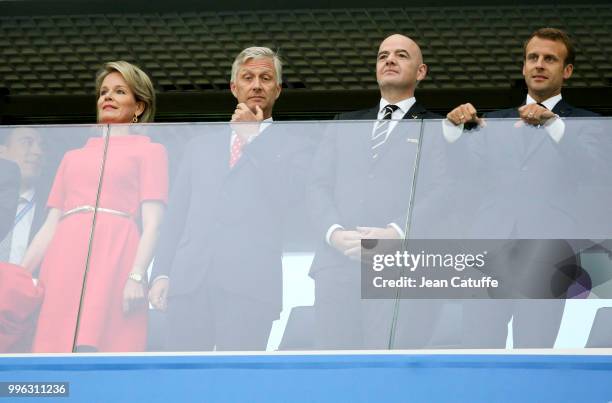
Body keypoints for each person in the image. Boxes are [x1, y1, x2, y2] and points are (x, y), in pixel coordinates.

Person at [149, 47, 312, 351]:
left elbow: (292, 200)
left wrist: (253, 139)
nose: (257, 85)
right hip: (189, 284)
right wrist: (161, 273)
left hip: (249, 288)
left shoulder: (296, 146)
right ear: (234, 87)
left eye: (266, 78)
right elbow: (176, 218)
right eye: (248, 77)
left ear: (277, 89)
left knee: (238, 387)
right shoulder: (199, 147)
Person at [444, 28, 598, 348]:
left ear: (566, 71)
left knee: (535, 353)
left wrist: (552, 123)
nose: (540, 64)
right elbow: (464, 174)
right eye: (533, 58)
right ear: (523, 67)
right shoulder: (494, 121)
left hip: (548, 257)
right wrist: (452, 132)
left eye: (550, 59)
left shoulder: (590, 123)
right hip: (488, 254)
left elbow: (592, 170)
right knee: (478, 352)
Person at [22, 61, 168, 353]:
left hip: (115, 254)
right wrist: (19, 277)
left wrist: (137, 275)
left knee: (102, 345)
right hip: (64, 255)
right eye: (103, 92)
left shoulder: (151, 151)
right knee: (55, 347)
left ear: (139, 107)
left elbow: (154, 223)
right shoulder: (72, 156)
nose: (107, 97)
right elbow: (50, 224)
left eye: (119, 91)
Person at [308, 34, 442, 349]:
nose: (389, 60)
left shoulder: (435, 126)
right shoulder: (344, 122)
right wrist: (334, 233)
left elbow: (443, 189)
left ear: (421, 71)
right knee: (334, 375)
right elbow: (316, 185)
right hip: (337, 265)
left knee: (388, 372)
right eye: (383, 55)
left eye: (400, 55)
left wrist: (397, 232)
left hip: (399, 267)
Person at [0, 128, 46, 265]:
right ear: (2, 152)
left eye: (42, 146)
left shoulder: (49, 213)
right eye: (27, 142)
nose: (38, 152)